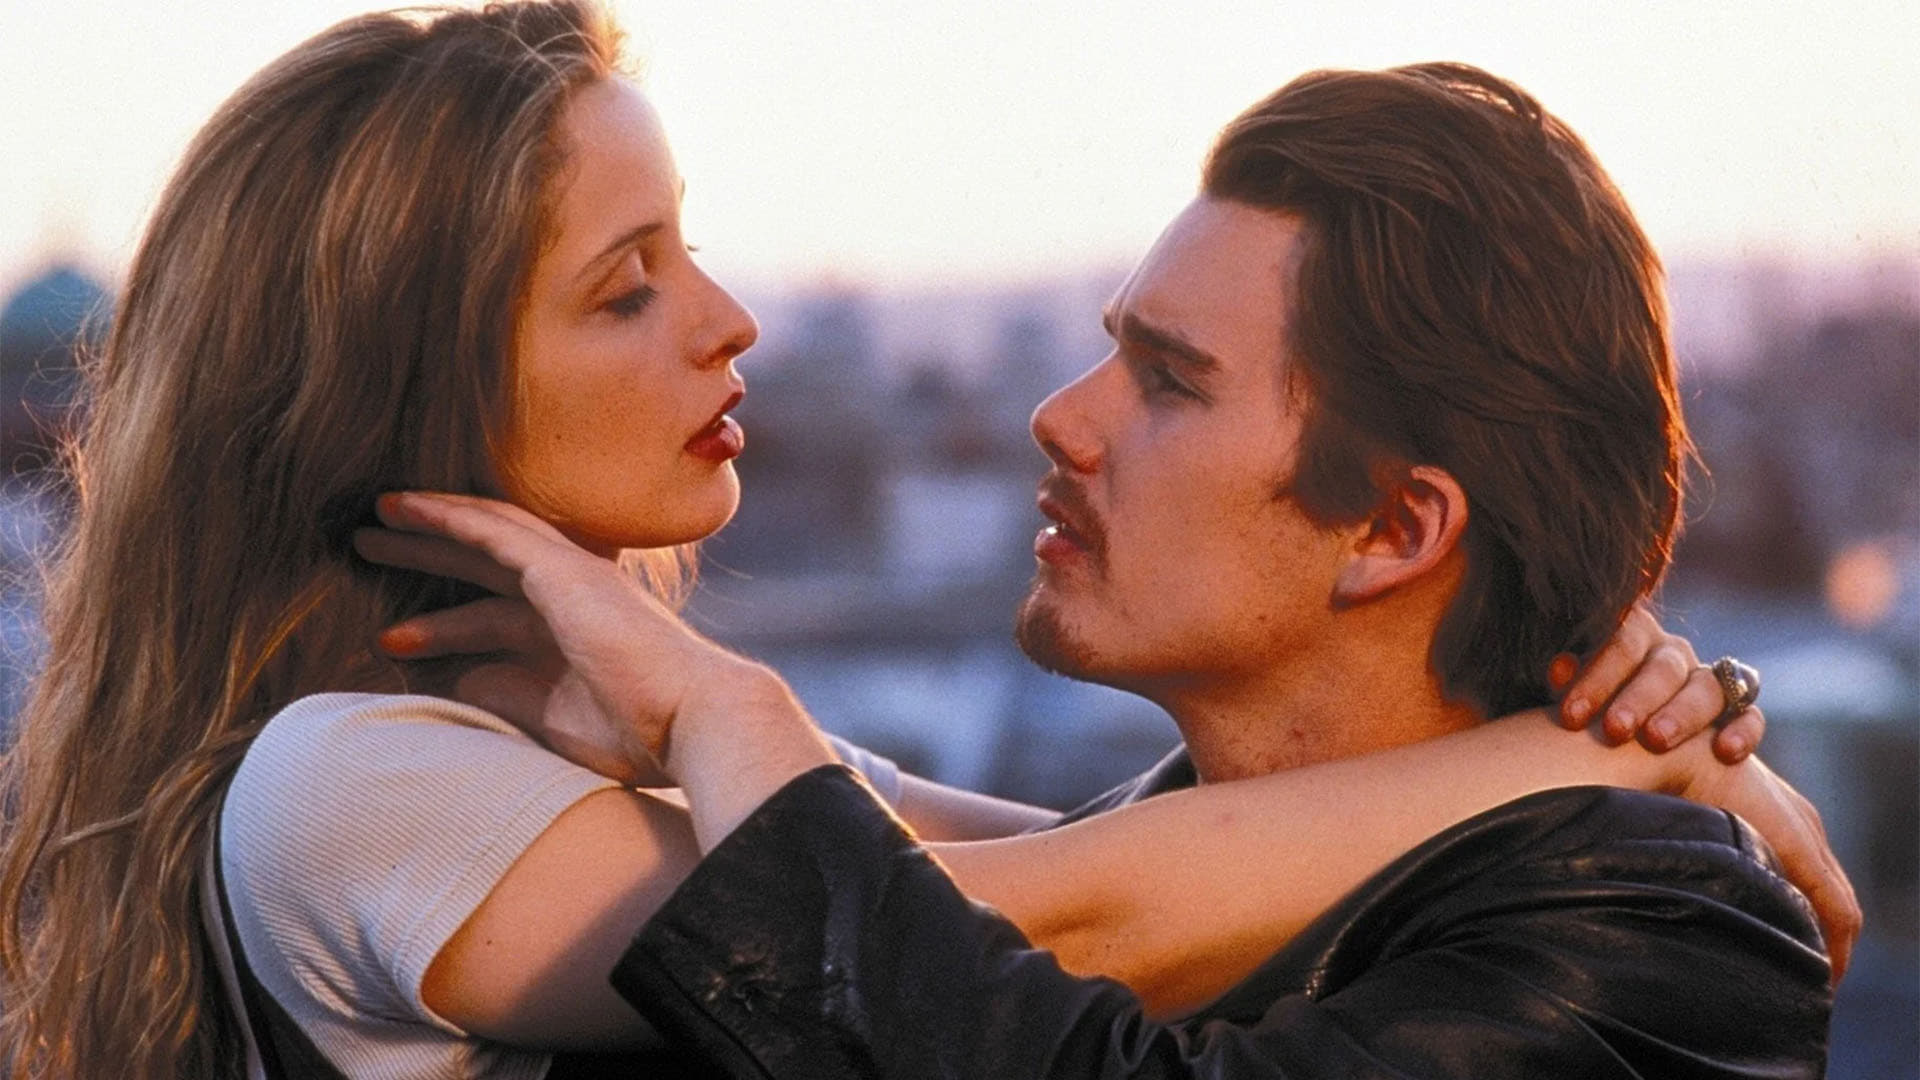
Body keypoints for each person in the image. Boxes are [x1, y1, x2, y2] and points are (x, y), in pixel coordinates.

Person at [0, 2, 1843, 1077]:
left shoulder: (1640, 941)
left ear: (1398, 527)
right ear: (417, 387)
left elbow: (1033, 892)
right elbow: (1035, 923)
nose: (733, 320)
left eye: (1168, 379)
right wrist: (1612, 757)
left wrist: (1655, 768)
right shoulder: (357, 779)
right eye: (629, 288)